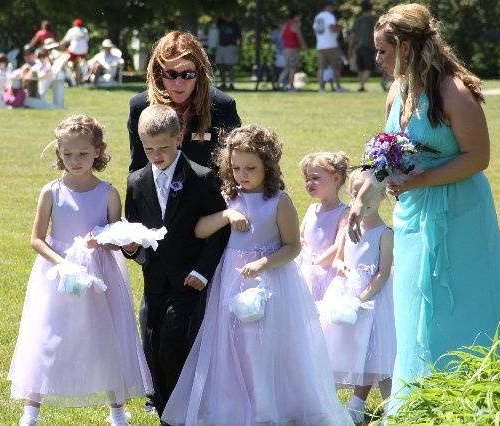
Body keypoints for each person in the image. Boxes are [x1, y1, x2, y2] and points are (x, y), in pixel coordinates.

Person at [347, 3, 500, 413]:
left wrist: (420, 180)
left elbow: (478, 157)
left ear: (406, 47)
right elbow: (385, 154)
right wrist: (361, 200)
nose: (377, 60)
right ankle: (422, 401)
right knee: (415, 304)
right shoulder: (398, 91)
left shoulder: (452, 91)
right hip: (412, 213)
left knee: (459, 301)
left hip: (460, 211)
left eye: (382, 50)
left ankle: (475, 397)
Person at [162, 125, 353, 426]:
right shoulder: (228, 196)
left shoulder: (279, 200)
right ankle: (237, 402)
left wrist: (264, 263)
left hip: (270, 282)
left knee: (263, 345)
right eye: (236, 168)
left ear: (268, 165)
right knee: (234, 344)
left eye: (251, 168)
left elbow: (292, 247)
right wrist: (226, 215)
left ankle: (269, 408)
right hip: (232, 280)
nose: (243, 174)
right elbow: (200, 229)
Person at [8, 115, 152, 426]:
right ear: (59, 154)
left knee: (106, 334)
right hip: (57, 275)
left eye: (83, 154)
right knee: (48, 335)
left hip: (100, 274)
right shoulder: (51, 192)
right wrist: (63, 264)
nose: (75, 161)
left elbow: (114, 237)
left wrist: (116, 241)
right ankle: (31, 411)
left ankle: (117, 411)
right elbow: (36, 238)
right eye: (68, 154)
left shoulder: (109, 193)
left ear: (98, 152)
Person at [123, 104, 230, 417]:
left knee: (175, 342)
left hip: (188, 279)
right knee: (151, 344)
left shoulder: (201, 177)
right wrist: (130, 249)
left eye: (163, 148)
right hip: (154, 280)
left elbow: (219, 232)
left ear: (180, 137)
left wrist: (203, 271)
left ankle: (179, 412)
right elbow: (134, 230)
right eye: (148, 148)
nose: (156, 155)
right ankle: (162, 407)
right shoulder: (136, 181)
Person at [322, 169, 396, 423]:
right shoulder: (347, 225)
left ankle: (390, 407)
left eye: (370, 195)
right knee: (346, 346)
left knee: (375, 351)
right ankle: (348, 404)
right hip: (345, 295)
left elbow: (383, 273)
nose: (363, 201)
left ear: (382, 196)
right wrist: (341, 267)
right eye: (355, 195)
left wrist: (362, 298)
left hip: (371, 301)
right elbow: (338, 258)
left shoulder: (385, 234)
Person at [128, 31, 241, 173]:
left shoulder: (222, 106)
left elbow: (234, 166)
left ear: (199, 74)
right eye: (170, 74)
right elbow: (138, 169)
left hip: (208, 191)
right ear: (158, 73)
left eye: (187, 74)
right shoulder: (140, 107)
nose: (178, 82)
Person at [298, 151, 350, 301]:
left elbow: (338, 246)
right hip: (305, 267)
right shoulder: (311, 210)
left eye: (315, 178)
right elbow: (300, 237)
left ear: (335, 178)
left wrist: (316, 264)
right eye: (307, 179)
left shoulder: (344, 212)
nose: (309, 183)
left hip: (327, 273)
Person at [313, 0, 345, 92]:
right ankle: (338, 87)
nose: (334, 8)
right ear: (329, 6)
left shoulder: (318, 16)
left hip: (320, 45)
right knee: (335, 66)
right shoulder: (330, 16)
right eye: (333, 6)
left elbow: (315, 30)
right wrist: (339, 29)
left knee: (321, 68)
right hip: (331, 45)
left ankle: (321, 88)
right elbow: (332, 28)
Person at [348, 1, 376, 92]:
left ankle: (361, 85)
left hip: (357, 47)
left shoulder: (357, 20)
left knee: (360, 67)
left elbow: (352, 35)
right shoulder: (373, 19)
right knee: (369, 67)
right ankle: (361, 85)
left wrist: (350, 48)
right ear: (371, 8)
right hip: (368, 46)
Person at [279, 11, 307, 91]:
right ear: (295, 17)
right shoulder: (295, 26)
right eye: (299, 17)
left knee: (287, 68)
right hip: (293, 49)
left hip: (285, 49)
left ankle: (278, 84)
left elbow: (281, 36)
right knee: (293, 68)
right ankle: (291, 86)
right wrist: (305, 47)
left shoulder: (285, 25)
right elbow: (300, 38)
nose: (300, 18)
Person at [215, 13, 242, 90]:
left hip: (231, 46)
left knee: (230, 66)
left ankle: (232, 84)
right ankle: (223, 83)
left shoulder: (235, 24)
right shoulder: (220, 22)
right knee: (220, 65)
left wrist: (239, 48)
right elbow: (214, 20)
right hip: (220, 46)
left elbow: (240, 37)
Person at [60, 18, 89, 83]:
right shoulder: (85, 30)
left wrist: (60, 44)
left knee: (65, 61)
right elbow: (87, 39)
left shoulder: (72, 30)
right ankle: (83, 77)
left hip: (73, 51)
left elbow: (65, 40)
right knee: (83, 64)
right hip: (83, 51)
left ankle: (68, 78)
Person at [270, 20, 286, 90]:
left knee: (287, 69)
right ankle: (279, 84)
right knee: (280, 69)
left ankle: (285, 84)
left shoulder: (287, 30)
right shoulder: (275, 32)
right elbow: (272, 42)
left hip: (287, 52)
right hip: (279, 53)